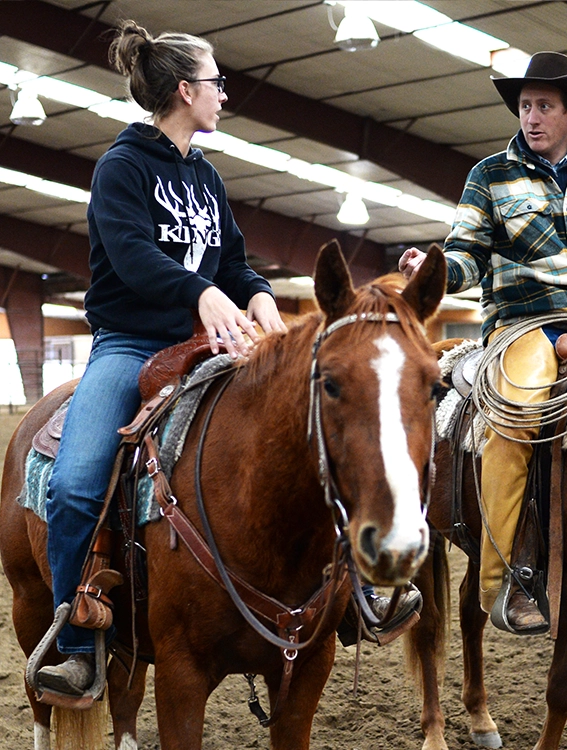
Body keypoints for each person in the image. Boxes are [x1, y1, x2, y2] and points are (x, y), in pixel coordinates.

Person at [36, 20, 416, 695]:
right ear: (186, 91)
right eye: (216, 84)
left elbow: (235, 263)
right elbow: (131, 257)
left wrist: (261, 297)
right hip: (133, 345)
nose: (225, 95)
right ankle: (77, 643)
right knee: (73, 485)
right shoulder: (121, 168)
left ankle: (356, 594)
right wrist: (199, 293)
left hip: (218, 341)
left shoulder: (206, 175)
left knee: (315, 438)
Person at [399, 52, 567, 634]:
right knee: (519, 412)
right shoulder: (490, 175)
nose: (531, 117)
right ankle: (504, 579)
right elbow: (467, 253)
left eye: (544, 106)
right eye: (525, 106)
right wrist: (435, 271)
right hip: (524, 322)